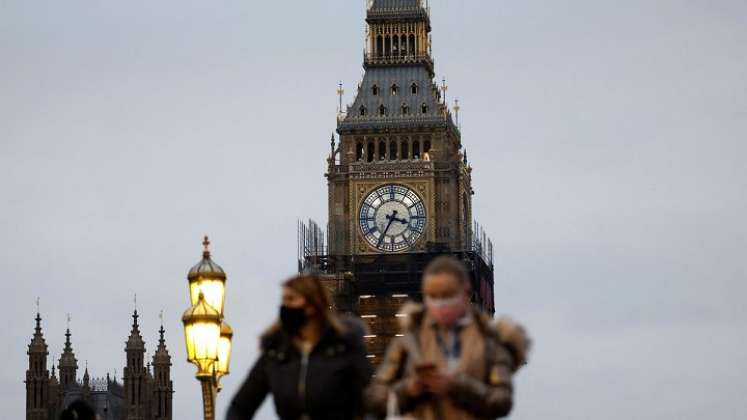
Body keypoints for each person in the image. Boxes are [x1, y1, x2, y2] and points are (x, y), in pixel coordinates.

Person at [366, 256, 531, 420]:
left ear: (466, 293)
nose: (440, 303)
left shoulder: (489, 341)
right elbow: (375, 399)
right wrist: (409, 388)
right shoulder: (408, 341)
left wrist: (456, 386)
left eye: (447, 295)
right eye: (433, 296)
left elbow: (501, 401)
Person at [226, 273, 372, 420]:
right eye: (283, 300)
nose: (284, 306)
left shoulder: (345, 348)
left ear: (312, 305)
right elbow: (240, 406)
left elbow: (370, 403)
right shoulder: (276, 353)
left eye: (291, 299)